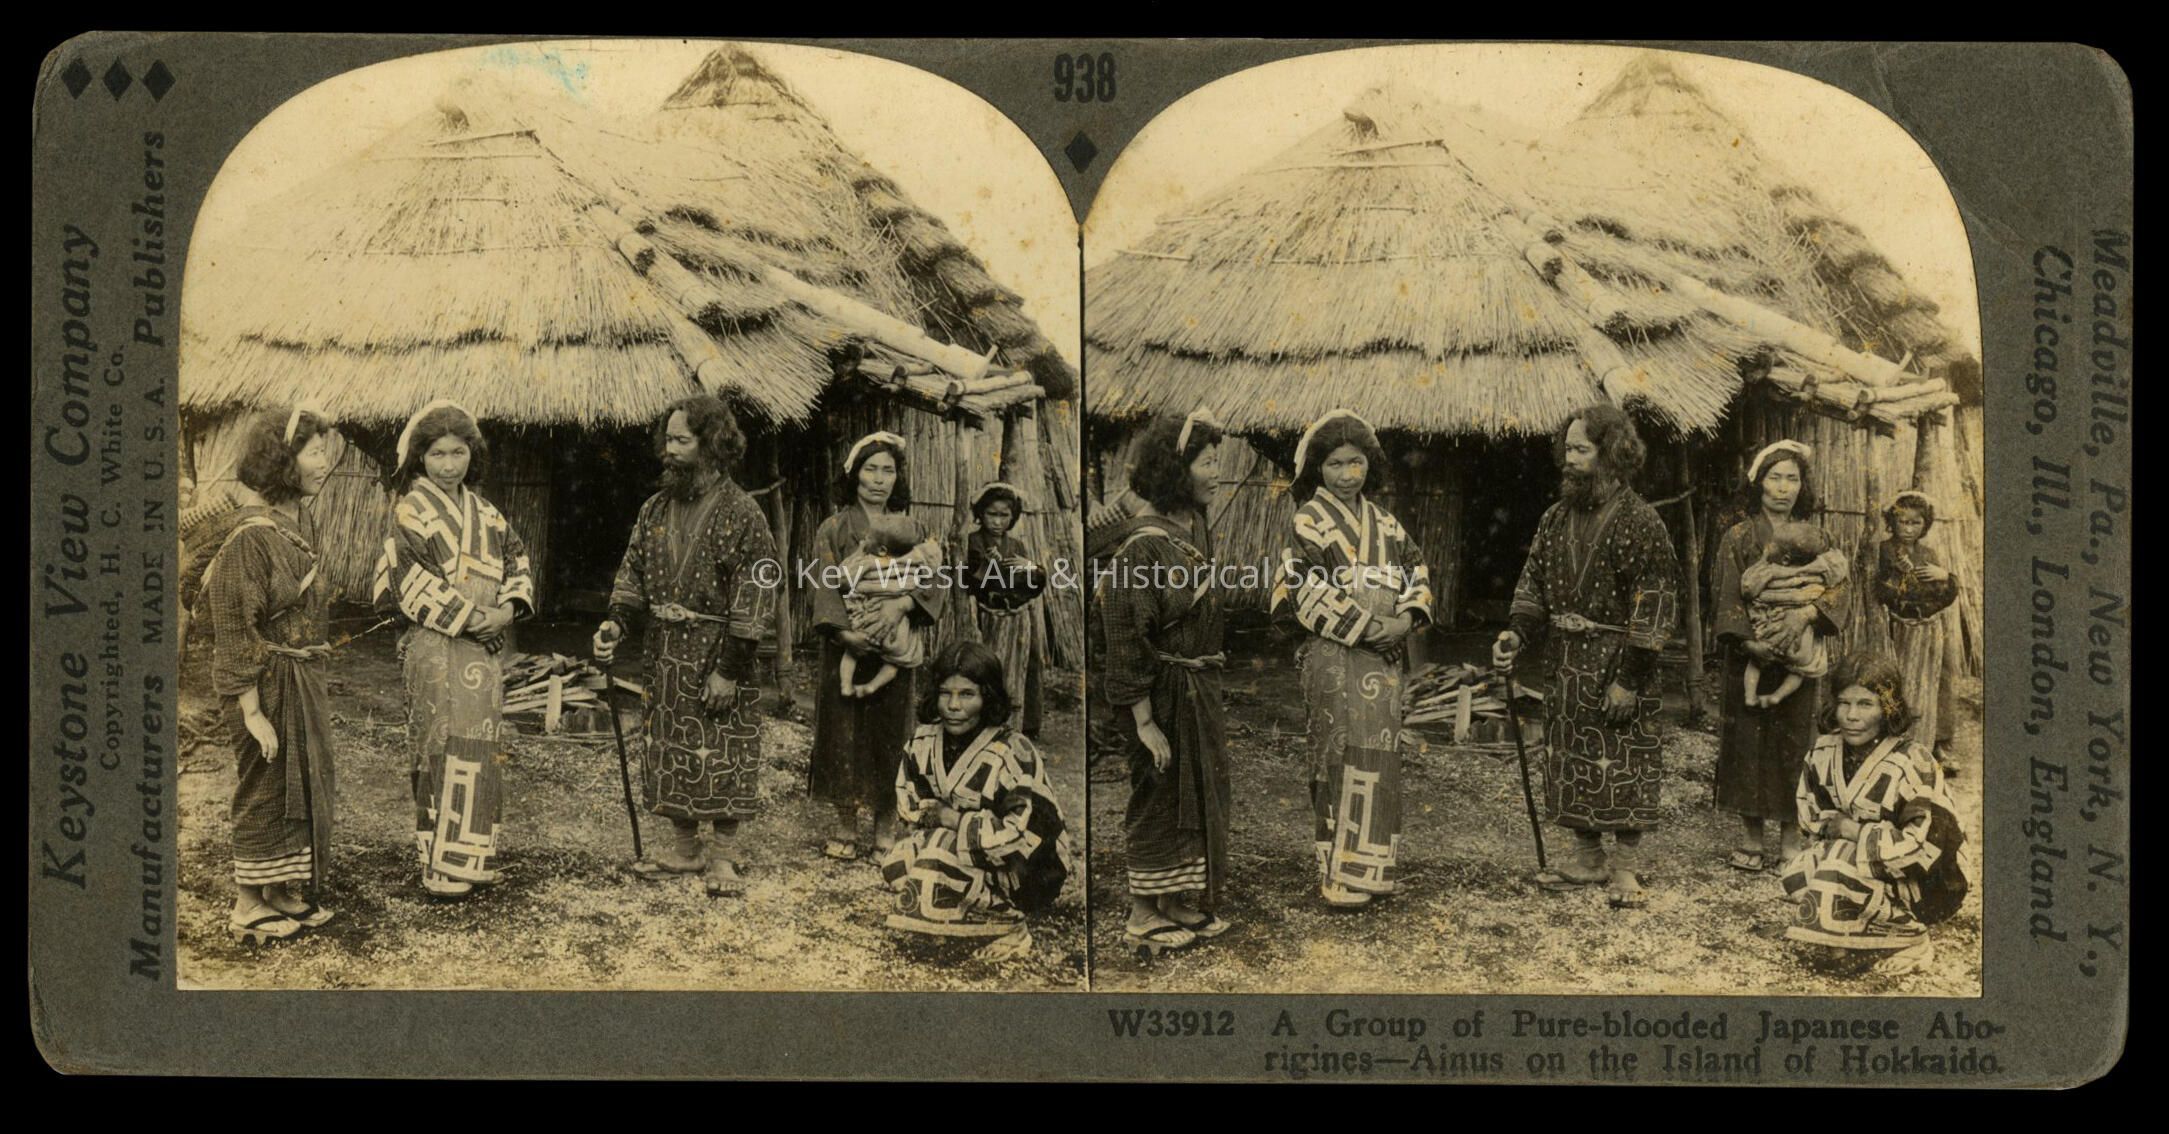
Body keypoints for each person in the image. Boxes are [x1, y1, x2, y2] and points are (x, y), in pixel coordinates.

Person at [1494, 404, 1680, 910]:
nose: (1568, 460)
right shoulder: (1554, 518)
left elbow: (1655, 602)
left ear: (1612, 455)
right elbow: (1532, 582)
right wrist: (1516, 634)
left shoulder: (1641, 521)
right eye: (1567, 449)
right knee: (1570, 756)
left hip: (1620, 660)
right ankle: (1587, 855)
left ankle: (1623, 866)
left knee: (1624, 759)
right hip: (1566, 662)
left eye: (1581, 450)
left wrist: (1631, 678)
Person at [592, 396, 779, 898]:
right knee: (669, 745)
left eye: (681, 441)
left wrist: (731, 669)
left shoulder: (744, 513)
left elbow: (757, 590)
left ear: (713, 444)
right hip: (665, 653)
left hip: (720, 652)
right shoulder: (654, 508)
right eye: (667, 441)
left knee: (723, 749)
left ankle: (723, 855)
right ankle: (685, 848)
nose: (668, 452)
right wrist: (616, 623)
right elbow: (632, 571)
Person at [371, 400, 536, 899]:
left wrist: (505, 613)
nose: (449, 465)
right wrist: (471, 621)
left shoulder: (487, 512)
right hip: (435, 645)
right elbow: (408, 580)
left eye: (458, 452)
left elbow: (518, 562)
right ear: (420, 457)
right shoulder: (410, 511)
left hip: (483, 652)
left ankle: (474, 857)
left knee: (480, 744)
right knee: (439, 742)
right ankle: (440, 864)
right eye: (438, 454)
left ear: (472, 453)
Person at [1269, 409, 1432, 909]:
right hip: (1334, 653)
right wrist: (1366, 628)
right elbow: (1301, 588)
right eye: (1337, 464)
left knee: (1380, 752)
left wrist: (1404, 620)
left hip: (1384, 657)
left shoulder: (1386, 523)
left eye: (1356, 463)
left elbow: (1417, 570)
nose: (1348, 474)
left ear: (1369, 465)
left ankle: (1373, 868)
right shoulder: (1308, 521)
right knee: (1336, 751)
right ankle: (1337, 872)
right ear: (1318, 468)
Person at [203, 405, 342, 943]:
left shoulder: (287, 527)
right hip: (263, 685)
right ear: (284, 461)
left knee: (298, 787)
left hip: (295, 680)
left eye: (325, 451)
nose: (324, 462)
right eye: (313, 452)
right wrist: (252, 711)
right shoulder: (249, 537)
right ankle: (246, 902)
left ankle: (280, 889)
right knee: (265, 785)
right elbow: (235, 625)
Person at [1099, 409, 1232, 953]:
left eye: (1217, 459)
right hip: (1158, 693)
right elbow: (1125, 635)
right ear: (1177, 470)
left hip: (1193, 688)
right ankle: (1140, 911)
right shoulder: (1143, 547)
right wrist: (1144, 721)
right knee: (1158, 791)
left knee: (1192, 793)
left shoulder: (1190, 531)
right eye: (1206, 461)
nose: (1217, 471)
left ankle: (1174, 900)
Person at [1781, 652, 1968, 974]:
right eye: (1844, 703)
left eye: (1866, 704)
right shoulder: (1823, 752)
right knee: (1799, 870)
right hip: (1863, 860)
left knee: (1838, 860)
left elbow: (1927, 846)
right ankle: (1855, 933)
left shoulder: (1914, 760)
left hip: (1925, 878)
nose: (1851, 716)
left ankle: (1910, 938)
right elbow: (1811, 820)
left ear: (1887, 708)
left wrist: (1854, 832)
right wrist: (1838, 835)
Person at [809, 431, 946, 861]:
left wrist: (902, 606)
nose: (879, 479)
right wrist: (845, 632)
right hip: (847, 643)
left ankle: (885, 826)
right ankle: (846, 826)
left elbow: (935, 578)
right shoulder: (834, 528)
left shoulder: (913, 527)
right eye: (871, 469)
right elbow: (824, 584)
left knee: (891, 732)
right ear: (854, 474)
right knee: (843, 731)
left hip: (894, 642)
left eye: (888, 470)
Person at [1713, 440, 1848, 874]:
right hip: (1750, 651)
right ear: (1759, 482)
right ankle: (1752, 837)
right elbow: (1725, 592)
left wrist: (1808, 613)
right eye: (1775, 477)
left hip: (1801, 649)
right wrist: (1749, 641)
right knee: (1748, 741)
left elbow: (1840, 587)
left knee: (1795, 742)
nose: (1784, 488)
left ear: (1802, 485)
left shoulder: (1818, 537)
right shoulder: (1738, 536)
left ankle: (1791, 837)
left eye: (1793, 478)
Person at [881, 641, 1074, 938]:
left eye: (967, 694)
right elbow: (910, 809)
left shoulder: (1012, 749)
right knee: (897, 861)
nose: (954, 706)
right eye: (946, 693)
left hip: (1027, 866)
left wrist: (953, 820)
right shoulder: (921, 743)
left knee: (934, 858)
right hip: (965, 848)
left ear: (987, 697)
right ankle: (962, 907)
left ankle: (1007, 921)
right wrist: (939, 826)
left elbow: (1019, 832)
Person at [1864, 491, 1961, 776]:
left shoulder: (1929, 556)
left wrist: (1946, 578)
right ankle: (1892, 744)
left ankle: (1932, 744)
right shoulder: (1883, 551)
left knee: (1934, 684)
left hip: (1929, 627)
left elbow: (1943, 596)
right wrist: (1905, 582)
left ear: (1925, 525)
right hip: (1897, 627)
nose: (1907, 529)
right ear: (1891, 522)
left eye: (1915, 523)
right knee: (1900, 683)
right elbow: (1883, 590)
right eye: (1902, 522)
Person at [964, 481, 1049, 737]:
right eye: (992, 514)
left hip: (1018, 617)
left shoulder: (1017, 548)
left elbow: (1033, 584)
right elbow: (971, 582)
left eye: (1004, 515)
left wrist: (1030, 568)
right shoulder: (973, 543)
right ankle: (986, 725)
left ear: (1012, 518)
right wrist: (987, 569)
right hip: (987, 617)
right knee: (991, 669)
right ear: (980, 514)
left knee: (1026, 668)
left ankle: (1024, 727)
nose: (997, 522)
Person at [1741, 523, 1845, 709]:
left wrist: (1761, 561)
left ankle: (1750, 696)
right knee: (1800, 671)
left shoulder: (1771, 571)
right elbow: (1840, 574)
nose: (1768, 546)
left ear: (1786, 559)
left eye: (1772, 544)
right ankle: (1777, 696)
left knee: (1755, 663)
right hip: (1802, 641)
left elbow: (1747, 588)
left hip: (1771, 629)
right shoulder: (1819, 570)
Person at [837, 511, 940, 699]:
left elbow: (843, 578)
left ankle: (845, 684)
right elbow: (933, 574)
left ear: (882, 550)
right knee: (896, 662)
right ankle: (872, 686)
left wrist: (858, 552)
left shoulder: (869, 562)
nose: (864, 540)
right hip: (899, 629)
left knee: (851, 653)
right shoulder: (915, 563)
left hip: (868, 618)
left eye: (868, 538)